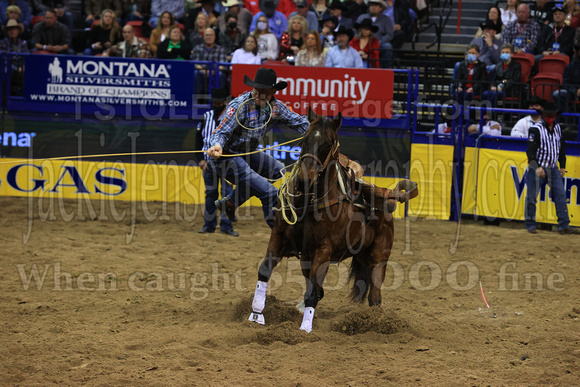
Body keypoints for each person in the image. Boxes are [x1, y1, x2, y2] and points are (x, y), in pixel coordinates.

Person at [207, 68, 311, 228]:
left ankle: (230, 203)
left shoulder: (276, 108)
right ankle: (278, 234)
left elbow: (300, 122)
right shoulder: (239, 106)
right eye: (257, 90)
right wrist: (216, 146)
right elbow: (221, 131)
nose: (258, 95)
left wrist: (317, 131)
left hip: (246, 153)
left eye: (264, 92)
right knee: (269, 193)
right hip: (225, 157)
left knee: (279, 171)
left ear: (273, 92)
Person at [525, 102, 578, 234]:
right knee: (532, 196)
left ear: (555, 116)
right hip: (539, 168)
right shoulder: (535, 129)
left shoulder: (558, 128)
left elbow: (562, 148)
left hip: (553, 167)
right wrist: (537, 167)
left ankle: (564, 225)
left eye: (552, 115)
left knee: (560, 195)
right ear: (543, 116)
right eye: (548, 115)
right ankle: (530, 224)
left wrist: (562, 166)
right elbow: (530, 151)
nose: (550, 118)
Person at [196, 88, 239, 237]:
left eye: (219, 102)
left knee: (227, 196)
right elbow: (198, 140)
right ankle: (209, 225)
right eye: (215, 102)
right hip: (209, 164)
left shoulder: (232, 118)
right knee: (211, 195)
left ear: (225, 102)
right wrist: (200, 159)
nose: (217, 104)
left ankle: (226, 226)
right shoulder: (205, 117)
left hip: (227, 164)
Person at [356, 0, 393, 67]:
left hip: (379, 42)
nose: (373, 7)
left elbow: (389, 34)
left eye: (376, 5)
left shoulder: (386, 19)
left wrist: (379, 42)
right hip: (362, 42)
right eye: (371, 5)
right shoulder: (362, 17)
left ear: (380, 8)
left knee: (387, 46)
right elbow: (356, 31)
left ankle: (386, 68)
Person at [553, 47, 580, 113]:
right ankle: (568, 120)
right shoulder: (571, 66)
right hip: (573, 92)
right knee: (557, 94)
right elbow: (566, 83)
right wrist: (576, 91)